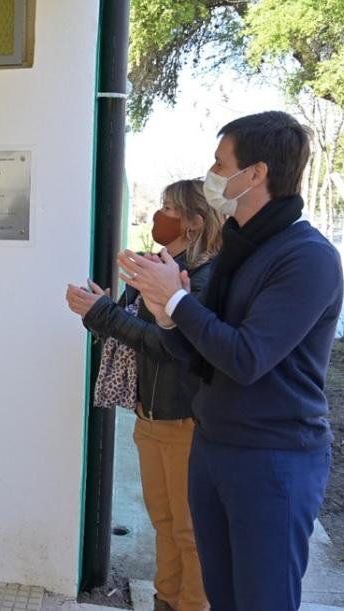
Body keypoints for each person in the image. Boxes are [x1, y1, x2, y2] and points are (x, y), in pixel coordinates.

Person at [119, 111, 343, 611]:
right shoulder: (237, 252)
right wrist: (165, 313)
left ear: (256, 173)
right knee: (221, 595)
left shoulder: (307, 258)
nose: (212, 173)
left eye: (221, 163)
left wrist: (177, 304)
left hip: (274, 457)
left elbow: (246, 358)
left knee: (261, 599)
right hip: (215, 443)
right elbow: (196, 351)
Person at [67, 179, 221, 611]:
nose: (159, 215)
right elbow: (130, 331)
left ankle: (192, 603)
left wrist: (108, 315)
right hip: (149, 415)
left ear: (193, 222)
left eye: (169, 206)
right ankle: (165, 599)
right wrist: (99, 310)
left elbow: (172, 345)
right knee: (164, 523)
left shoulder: (206, 276)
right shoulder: (157, 266)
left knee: (190, 531)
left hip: (185, 419)